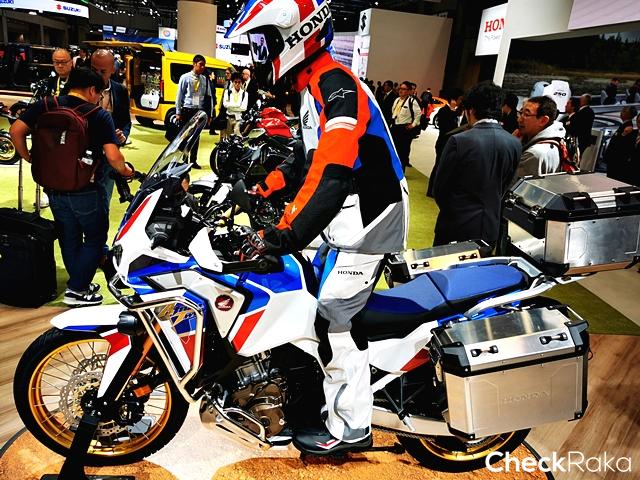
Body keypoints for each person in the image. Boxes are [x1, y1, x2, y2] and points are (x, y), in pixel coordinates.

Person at [226, 0, 408, 455]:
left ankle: (352, 426)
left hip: (368, 221)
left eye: (264, 42)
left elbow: (332, 172)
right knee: (303, 294)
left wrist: (284, 233)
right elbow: (304, 161)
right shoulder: (313, 88)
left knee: (334, 318)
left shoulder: (337, 85)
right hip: (344, 219)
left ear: (295, 34)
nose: (260, 53)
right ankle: (310, 391)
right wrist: (261, 190)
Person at [9, 68, 134, 306]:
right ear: (92, 90)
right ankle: (77, 289)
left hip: (52, 185)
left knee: (69, 235)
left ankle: (79, 282)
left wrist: (29, 157)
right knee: (95, 238)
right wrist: (127, 171)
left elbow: (16, 131)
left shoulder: (46, 105)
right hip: (85, 187)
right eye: (99, 94)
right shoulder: (98, 115)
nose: (99, 98)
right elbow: (113, 156)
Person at [432, 81, 521, 248]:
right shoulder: (514, 143)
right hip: (489, 226)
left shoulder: (459, 141)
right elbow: (507, 185)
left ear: (470, 110)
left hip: (455, 225)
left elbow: (440, 189)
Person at [91, 49, 132, 206]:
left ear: (113, 69)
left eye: (102, 71)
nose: (97, 75)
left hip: (110, 154)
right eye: (94, 70)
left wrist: (123, 137)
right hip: (82, 154)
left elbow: (125, 121)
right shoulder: (79, 89)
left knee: (105, 198)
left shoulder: (120, 90)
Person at [175, 54, 214, 169]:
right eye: (200, 65)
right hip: (187, 110)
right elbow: (179, 96)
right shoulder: (185, 77)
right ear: (194, 64)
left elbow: (209, 97)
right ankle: (184, 159)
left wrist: (210, 114)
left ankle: (193, 161)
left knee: (196, 137)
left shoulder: (204, 80)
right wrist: (178, 112)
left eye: (204, 65)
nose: (202, 67)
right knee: (185, 136)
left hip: (199, 111)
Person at [513, 95, 566, 178]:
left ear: (543, 121)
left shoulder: (534, 154)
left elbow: (514, 184)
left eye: (526, 114)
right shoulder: (557, 139)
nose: (519, 119)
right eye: (520, 113)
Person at [427, 88, 462, 197]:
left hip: (449, 143)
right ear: (453, 99)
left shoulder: (455, 112)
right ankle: (431, 190)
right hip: (443, 142)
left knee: (444, 167)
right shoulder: (444, 111)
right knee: (438, 165)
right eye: (460, 99)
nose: (461, 101)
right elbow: (444, 128)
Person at [390, 81, 421, 170]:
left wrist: (413, 125)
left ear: (408, 91)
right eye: (400, 88)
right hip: (395, 127)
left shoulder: (412, 101)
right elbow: (393, 112)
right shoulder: (397, 100)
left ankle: (401, 171)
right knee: (393, 150)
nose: (401, 91)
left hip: (404, 129)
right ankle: (393, 170)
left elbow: (418, 114)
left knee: (403, 152)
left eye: (404, 89)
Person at [605, 106, 637, 183]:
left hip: (617, 161)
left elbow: (621, 145)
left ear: (627, 114)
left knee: (613, 180)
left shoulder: (628, 127)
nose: (621, 113)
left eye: (623, 111)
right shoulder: (624, 125)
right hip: (614, 159)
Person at [223, 72, 248, 136]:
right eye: (235, 82)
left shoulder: (244, 94)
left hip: (238, 119)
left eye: (239, 82)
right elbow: (225, 104)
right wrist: (238, 105)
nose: (237, 84)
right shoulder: (227, 92)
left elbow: (244, 108)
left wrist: (231, 106)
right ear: (232, 82)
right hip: (228, 118)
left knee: (238, 137)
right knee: (229, 137)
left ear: (241, 83)